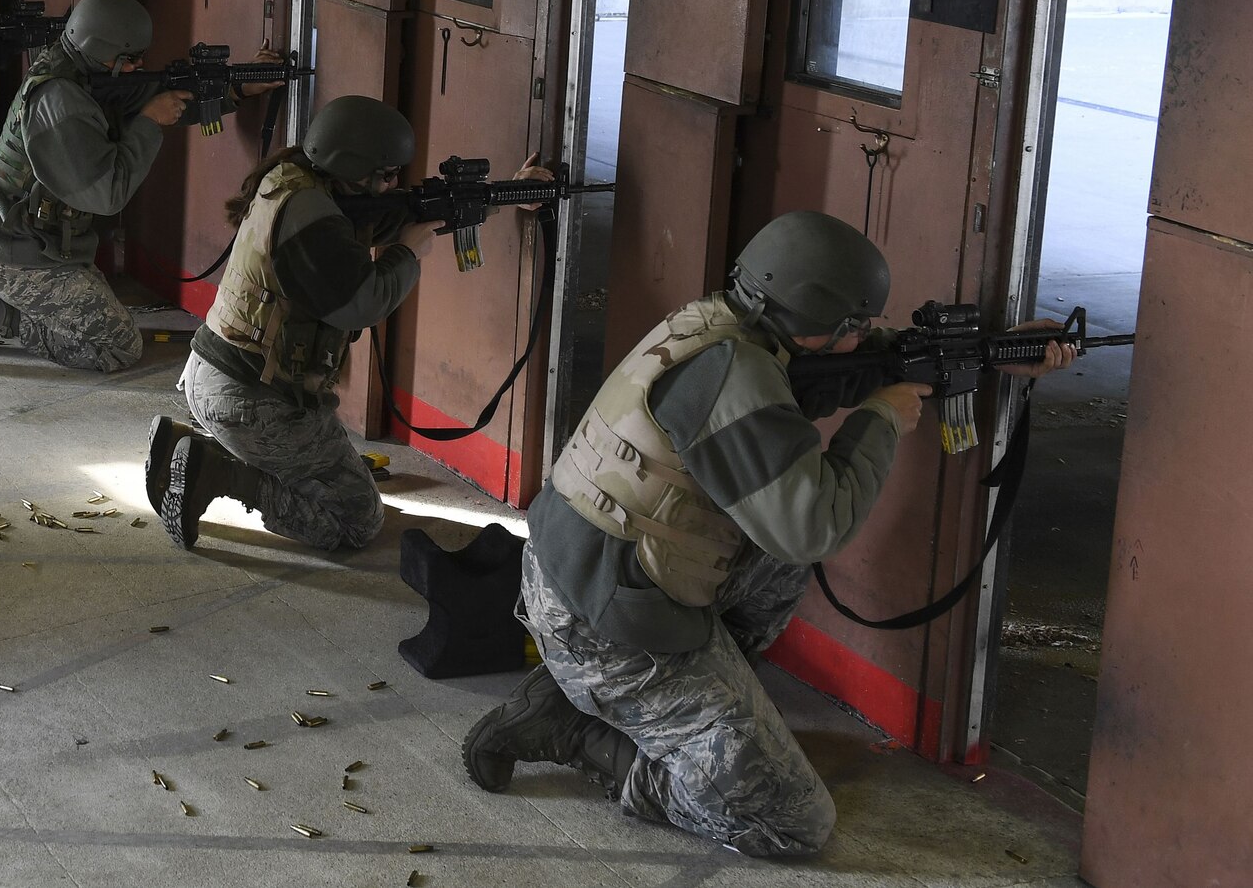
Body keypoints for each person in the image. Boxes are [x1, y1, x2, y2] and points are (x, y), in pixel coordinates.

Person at [459, 210, 1078, 856]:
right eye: (855, 324)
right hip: (605, 624)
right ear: (817, 324)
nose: (866, 334)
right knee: (793, 821)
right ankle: (589, 739)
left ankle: (612, 704)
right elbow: (815, 527)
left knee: (772, 553)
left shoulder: (725, 326)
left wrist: (993, 351)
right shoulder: (740, 376)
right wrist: (880, 422)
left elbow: (855, 361)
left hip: (591, 577)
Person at [144, 96, 549, 552]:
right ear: (356, 168)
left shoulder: (298, 182)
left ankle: (189, 444)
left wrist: (497, 196)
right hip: (255, 400)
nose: (394, 183)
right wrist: (408, 254)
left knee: (340, 482)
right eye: (387, 174)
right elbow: (362, 304)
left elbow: (390, 214)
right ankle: (217, 470)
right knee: (357, 519)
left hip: (220, 377)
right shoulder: (312, 217)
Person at [0, 0, 190, 372]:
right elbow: (107, 194)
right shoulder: (60, 98)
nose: (137, 67)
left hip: (16, 231)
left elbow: (141, 93)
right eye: (129, 59)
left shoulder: (76, 67)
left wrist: (233, 90)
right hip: (6, 243)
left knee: (99, 318)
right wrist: (150, 123)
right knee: (118, 346)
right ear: (102, 49)